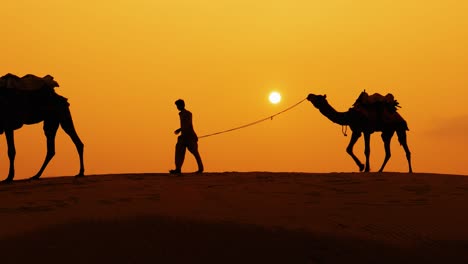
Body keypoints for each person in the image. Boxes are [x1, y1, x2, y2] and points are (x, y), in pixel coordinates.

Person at [169, 99, 204, 174]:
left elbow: (187, 125)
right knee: (179, 152)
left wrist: (180, 130)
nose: (177, 107)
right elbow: (184, 125)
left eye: (178, 105)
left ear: (182, 105)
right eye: (177, 106)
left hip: (190, 137)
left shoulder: (188, 114)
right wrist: (180, 130)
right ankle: (178, 169)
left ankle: (201, 168)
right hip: (183, 137)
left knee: (195, 152)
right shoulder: (181, 114)